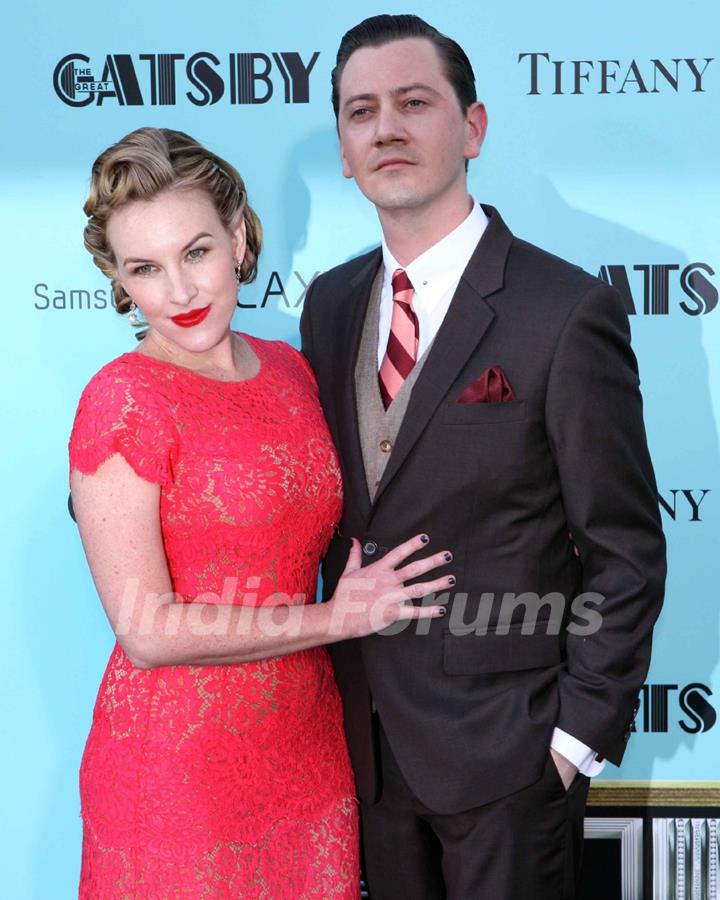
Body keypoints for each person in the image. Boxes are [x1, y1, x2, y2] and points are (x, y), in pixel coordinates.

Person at [299, 14, 667, 899]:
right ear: (343, 151)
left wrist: (569, 743)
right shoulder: (329, 306)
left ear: (472, 128)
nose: (387, 128)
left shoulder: (564, 312)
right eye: (361, 112)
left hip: (511, 765)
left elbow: (625, 551)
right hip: (364, 758)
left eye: (414, 103)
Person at [68, 126, 452, 897]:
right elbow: (146, 631)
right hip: (178, 774)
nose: (179, 292)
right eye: (146, 269)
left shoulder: (289, 370)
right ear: (119, 279)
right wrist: (336, 619)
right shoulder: (123, 400)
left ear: (238, 235)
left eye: (197, 252)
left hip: (310, 749)